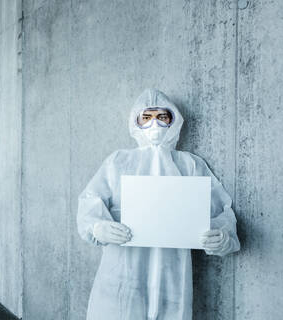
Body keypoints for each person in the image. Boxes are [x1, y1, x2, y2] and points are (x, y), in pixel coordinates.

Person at [77, 88, 240, 320]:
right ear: (135, 122)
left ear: (174, 120)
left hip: (172, 280)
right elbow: (89, 203)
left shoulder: (191, 165)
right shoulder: (118, 162)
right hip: (121, 279)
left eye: (162, 117)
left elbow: (222, 211)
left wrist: (221, 237)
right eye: (147, 117)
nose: (155, 124)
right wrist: (97, 227)